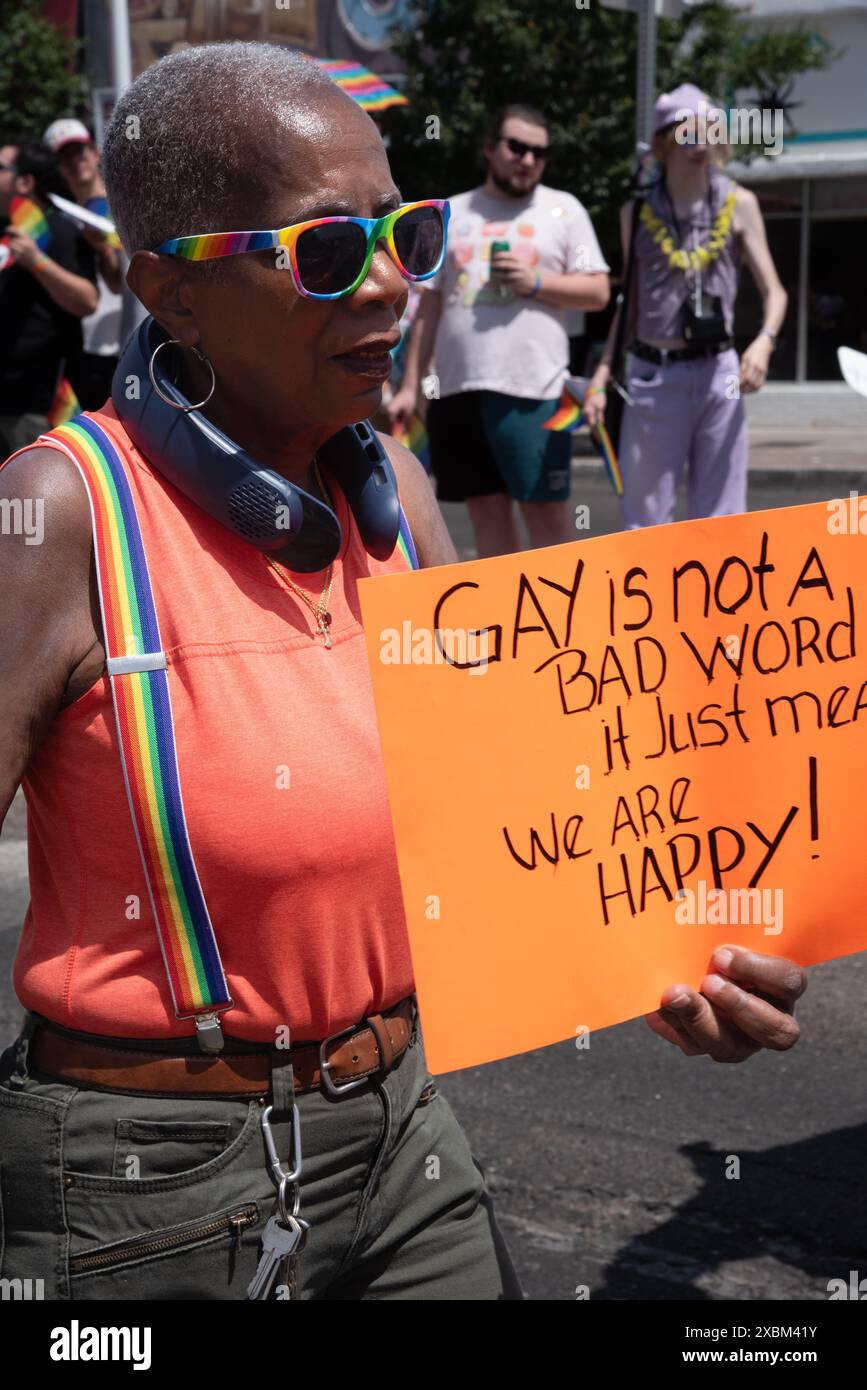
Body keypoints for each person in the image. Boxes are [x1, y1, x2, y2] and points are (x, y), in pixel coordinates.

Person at [0, 45, 806, 1302]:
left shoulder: (394, 488)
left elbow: (506, 807)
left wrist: (667, 951)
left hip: (403, 1142)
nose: (387, 283)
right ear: (172, 291)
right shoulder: (60, 512)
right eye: (326, 251)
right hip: (141, 1191)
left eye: (407, 233)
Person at [388, 104, 610, 557]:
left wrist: (536, 283)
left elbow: (599, 292)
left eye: (539, 153)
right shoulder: (454, 212)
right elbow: (429, 305)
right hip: (458, 390)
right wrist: (411, 384)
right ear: (490, 149)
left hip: (535, 389)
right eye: (516, 147)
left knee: (546, 519)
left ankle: (563, 625)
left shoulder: (563, 210)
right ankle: (507, 626)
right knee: (486, 516)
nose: (527, 159)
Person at [583, 83, 788, 528]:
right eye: (688, 131)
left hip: (720, 375)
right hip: (653, 376)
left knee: (722, 518)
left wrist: (764, 342)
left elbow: (776, 292)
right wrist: (600, 378)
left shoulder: (740, 204)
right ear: (662, 142)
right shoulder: (634, 214)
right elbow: (629, 304)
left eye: (710, 129)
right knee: (645, 520)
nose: (702, 142)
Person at [0, 135, 98, 456]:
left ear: (25, 182)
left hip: (39, 403)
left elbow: (87, 300)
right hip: (8, 398)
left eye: (1, 168)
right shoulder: (9, 229)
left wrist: (36, 261)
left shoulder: (61, 229)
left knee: (32, 504)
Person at [43, 118, 124, 411]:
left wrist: (102, 249)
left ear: (95, 153)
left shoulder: (122, 206)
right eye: (66, 157)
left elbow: (118, 284)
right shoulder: (61, 220)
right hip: (85, 348)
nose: (76, 161)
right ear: (60, 168)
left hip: (124, 342)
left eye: (80, 152)